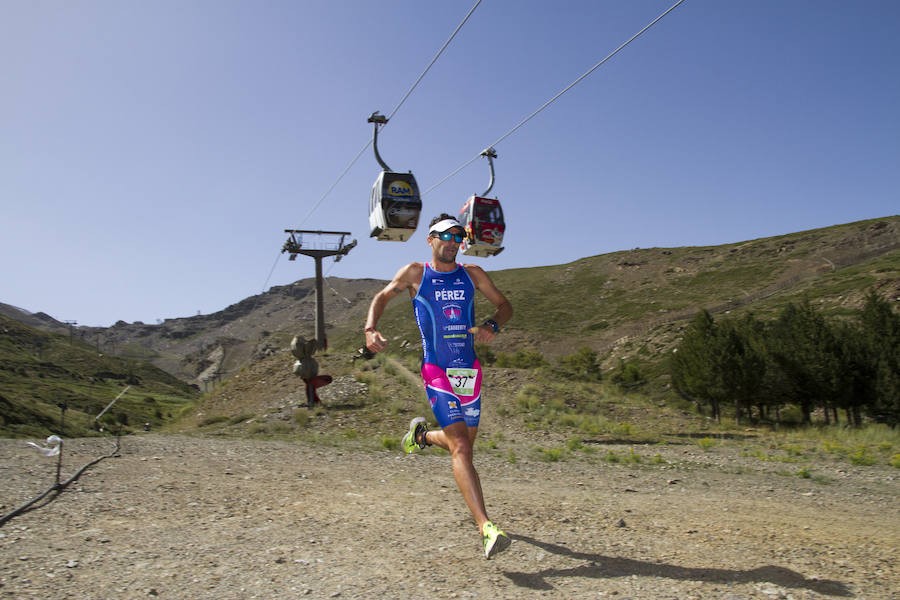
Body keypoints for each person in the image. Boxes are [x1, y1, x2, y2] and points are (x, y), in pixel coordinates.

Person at [364, 214, 513, 559]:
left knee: (462, 446)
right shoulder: (416, 273)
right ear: (430, 239)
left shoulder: (472, 274)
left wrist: (492, 324)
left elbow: (505, 306)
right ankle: (486, 528)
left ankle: (422, 437)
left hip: (468, 369)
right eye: (444, 235)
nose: (452, 242)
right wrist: (370, 329)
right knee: (461, 446)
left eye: (458, 236)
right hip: (436, 369)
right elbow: (382, 297)